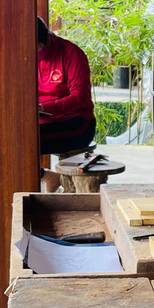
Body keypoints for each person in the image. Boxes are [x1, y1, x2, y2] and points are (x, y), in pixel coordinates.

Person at [36, 17, 96, 190]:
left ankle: (37, 187)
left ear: (45, 38)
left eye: (37, 48)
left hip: (77, 123)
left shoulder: (71, 53)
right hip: (41, 123)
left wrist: (44, 108)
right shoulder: (23, 56)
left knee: (24, 142)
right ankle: (47, 176)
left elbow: (80, 98)